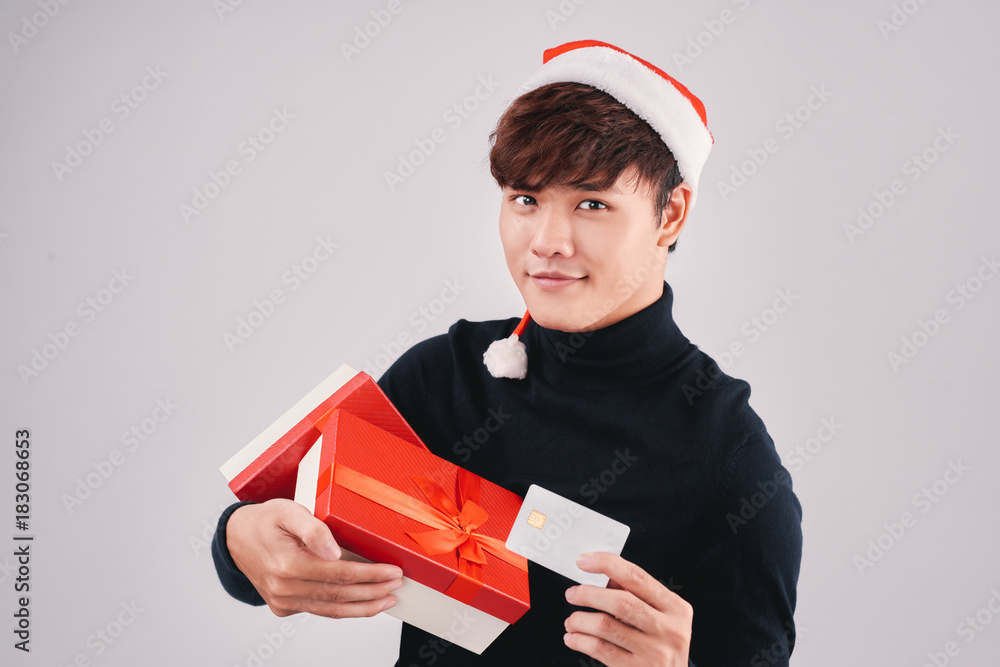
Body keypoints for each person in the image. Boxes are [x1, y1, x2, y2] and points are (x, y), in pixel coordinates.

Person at [211, 40, 802, 666]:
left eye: (593, 204)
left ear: (671, 214)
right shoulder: (448, 376)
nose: (546, 241)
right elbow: (277, 518)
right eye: (525, 198)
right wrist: (239, 540)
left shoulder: (729, 457)